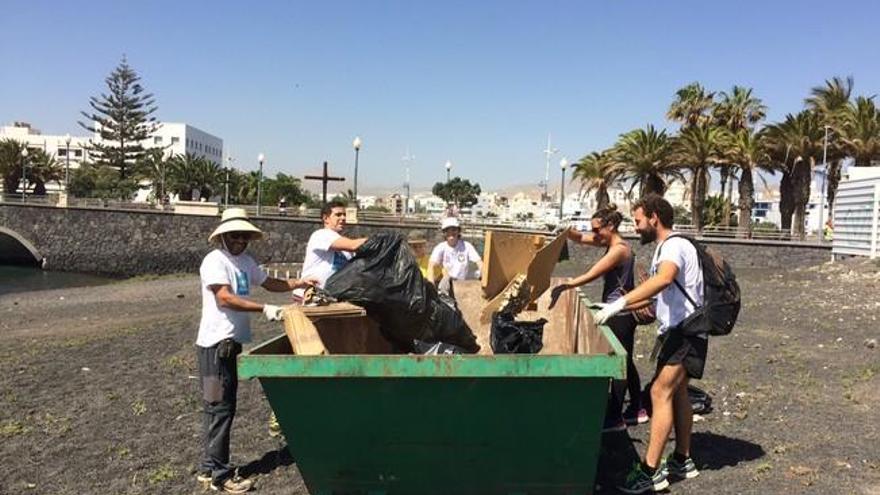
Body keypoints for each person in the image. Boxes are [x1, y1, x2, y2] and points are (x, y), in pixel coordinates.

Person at [196, 208, 317, 493]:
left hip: (228, 346)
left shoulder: (245, 261)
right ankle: (221, 476)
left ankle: (208, 467)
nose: (239, 240)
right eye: (234, 236)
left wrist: (299, 282)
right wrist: (266, 309)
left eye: (244, 236)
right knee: (219, 408)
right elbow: (224, 299)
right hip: (214, 349)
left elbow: (268, 282)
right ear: (222, 236)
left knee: (218, 408)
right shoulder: (215, 261)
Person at [592, 194, 705, 494]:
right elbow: (653, 294)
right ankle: (682, 459)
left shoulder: (674, 246)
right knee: (677, 392)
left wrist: (620, 304)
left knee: (659, 392)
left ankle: (650, 472)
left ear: (654, 217)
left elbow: (665, 279)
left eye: (638, 220)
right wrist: (612, 307)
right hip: (679, 333)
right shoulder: (664, 248)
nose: (636, 226)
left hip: (686, 333)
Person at [548, 205, 647, 432]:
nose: (595, 233)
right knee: (627, 361)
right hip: (615, 310)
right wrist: (566, 232)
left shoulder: (619, 250)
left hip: (620, 314)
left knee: (618, 364)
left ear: (610, 226)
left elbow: (593, 272)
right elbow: (582, 238)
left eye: (597, 228)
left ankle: (616, 418)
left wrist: (566, 285)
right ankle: (636, 409)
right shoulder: (609, 242)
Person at [301, 201, 367, 289]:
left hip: (332, 296)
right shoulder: (321, 235)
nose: (343, 218)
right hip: (312, 294)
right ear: (326, 218)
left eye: (344, 215)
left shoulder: (344, 246)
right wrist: (380, 240)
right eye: (338, 215)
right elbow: (353, 245)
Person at [427, 217, 482, 282]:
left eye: (453, 230)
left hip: (462, 282)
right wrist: (431, 285)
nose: (451, 233)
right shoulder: (440, 247)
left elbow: (479, 262)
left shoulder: (467, 246)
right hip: (446, 282)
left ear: (458, 231)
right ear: (444, 233)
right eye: (447, 230)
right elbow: (431, 266)